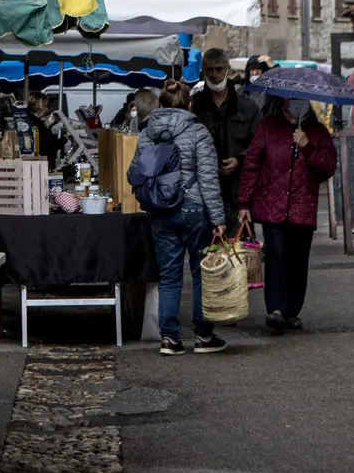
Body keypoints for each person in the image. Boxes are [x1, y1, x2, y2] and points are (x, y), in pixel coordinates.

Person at [138, 78, 230, 356]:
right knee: (201, 274)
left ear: (161, 104)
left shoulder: (147, 132)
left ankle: (170, 338)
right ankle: (203, 335)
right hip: (193, 209)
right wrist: (218, 218)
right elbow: (208, 179)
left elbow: (139, 171)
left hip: (160, 210)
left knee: (169, 275)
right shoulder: (198, 132)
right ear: (188, 103)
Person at [236, 95, 338, 334]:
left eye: (298, 103)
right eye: (289, 103)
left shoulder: (317, 131)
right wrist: (244, 202)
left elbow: (327, 168)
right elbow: (251, 164)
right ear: (282, 103)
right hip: (273, 204)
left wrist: (307, 145)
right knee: (276, 255)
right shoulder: (268, 126)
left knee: (298, 260)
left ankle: (292, 311)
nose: (293, 108)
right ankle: (276, 310)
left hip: (303, 206)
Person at [191, 48, 260, 222]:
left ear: (227, 69)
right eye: (210, 69)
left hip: (239, 193)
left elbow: (258, 144)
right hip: (205, 194)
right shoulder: (195, 106)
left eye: (219, 69)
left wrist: (240, 159)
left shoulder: (247, 107)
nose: (214, 74)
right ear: (203, 71)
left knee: (240, 247)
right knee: (209, 248)